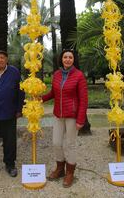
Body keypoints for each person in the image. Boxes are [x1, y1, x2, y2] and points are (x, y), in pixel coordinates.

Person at [42, 49, 88, 188]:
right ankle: (60, 168)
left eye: (70, 57)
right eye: (65, 57)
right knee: (56, 143)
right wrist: (41, 99)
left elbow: (84, 99)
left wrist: (81, 119)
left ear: (73, 60)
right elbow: (53, 93)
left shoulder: (79, 75)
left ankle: (70, 173)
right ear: (61, 59)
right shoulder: (56, 74)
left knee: (70, 144)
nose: (67, 59)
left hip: (72, 116)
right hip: (58, 115)